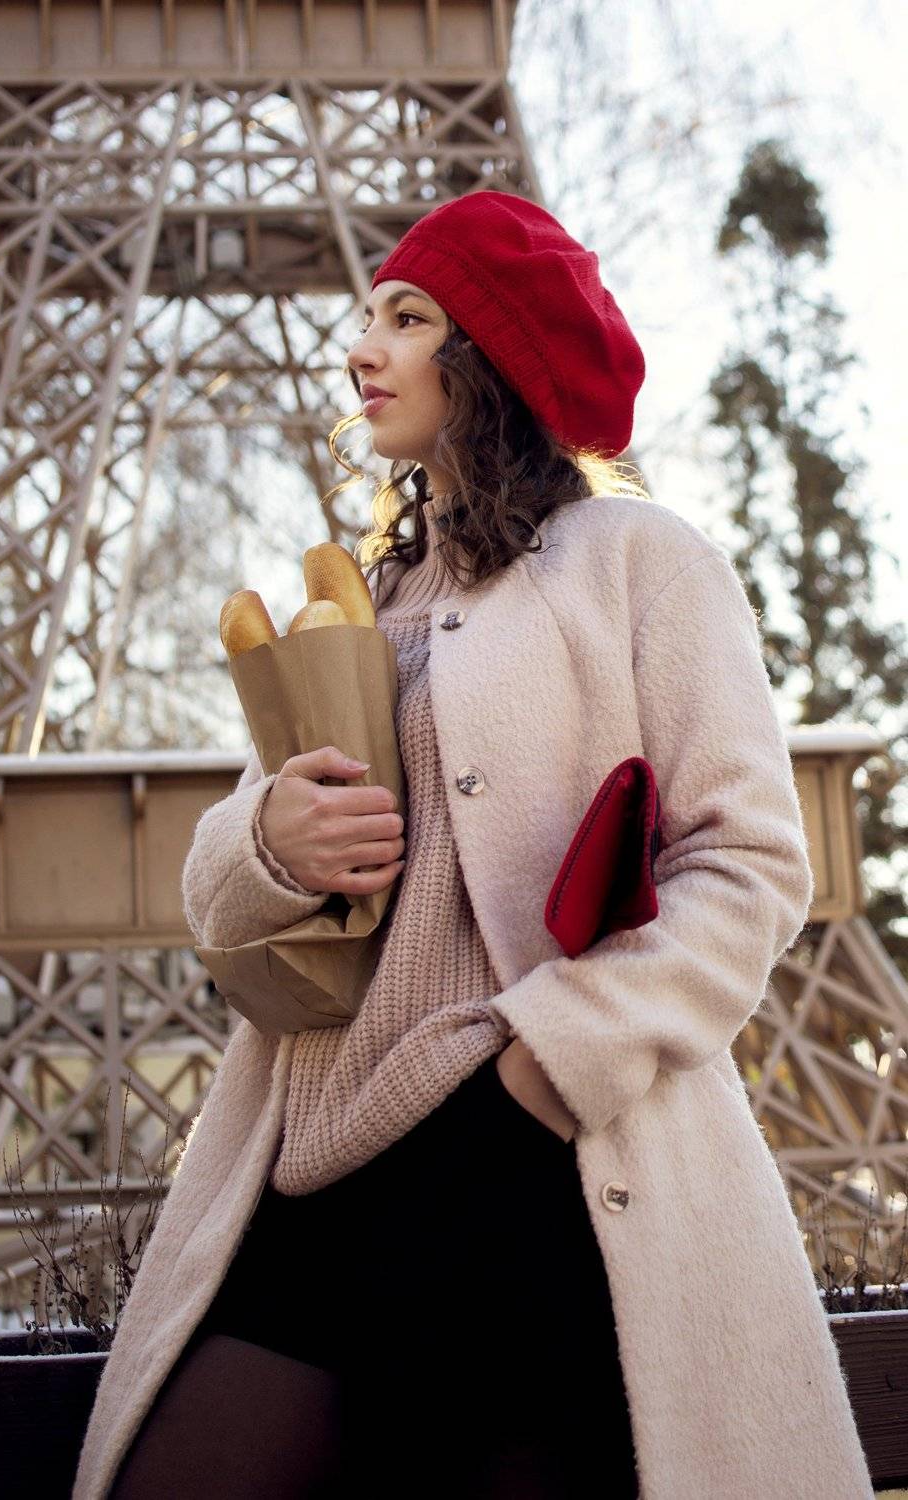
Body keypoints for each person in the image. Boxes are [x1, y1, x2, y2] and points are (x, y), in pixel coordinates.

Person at [77, 190, 873, 1500]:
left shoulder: (642, 561)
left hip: (534, 1169)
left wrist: (543, 1070)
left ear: (491, 351)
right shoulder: (369, 599)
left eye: (406, 318)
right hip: (319, 1158)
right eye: (368, 317)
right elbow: (217, 899)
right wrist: (272, 837)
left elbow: (748, 866)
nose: (361, 348)